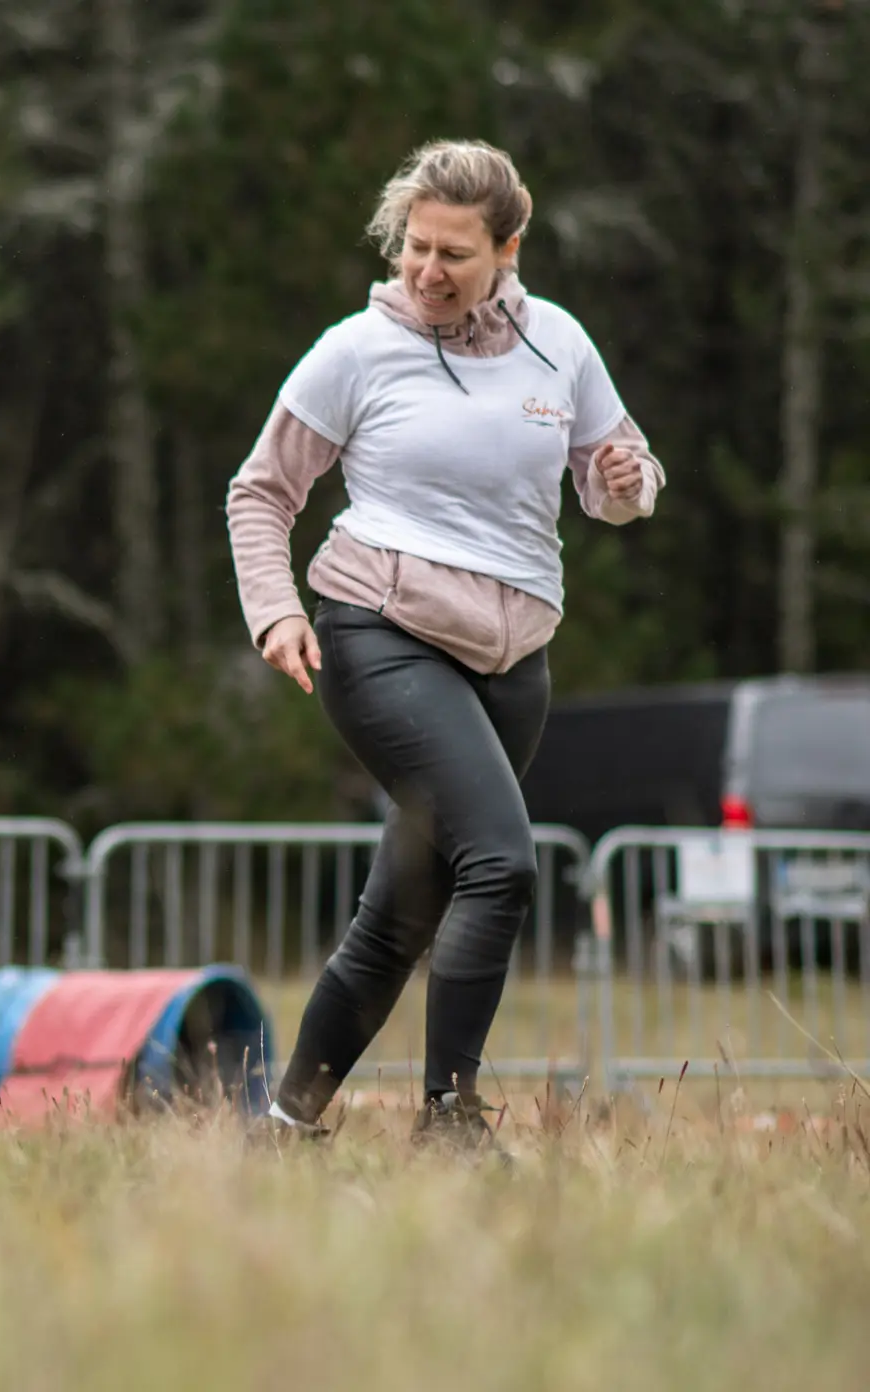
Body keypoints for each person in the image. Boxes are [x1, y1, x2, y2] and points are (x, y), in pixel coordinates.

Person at [224, 139, 664, 1153]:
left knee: (399, 914)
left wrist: (627, 480)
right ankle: (447, 1117)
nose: (425, 271)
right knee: (500, 862)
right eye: (413, 248)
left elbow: (613, 483)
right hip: (378, 632)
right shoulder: (352, 350)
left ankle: (282, 1124)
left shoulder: (557, 343)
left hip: (513, 661)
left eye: (452, 254)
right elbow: (260, 492)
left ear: (507, 248)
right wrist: (274, 610)